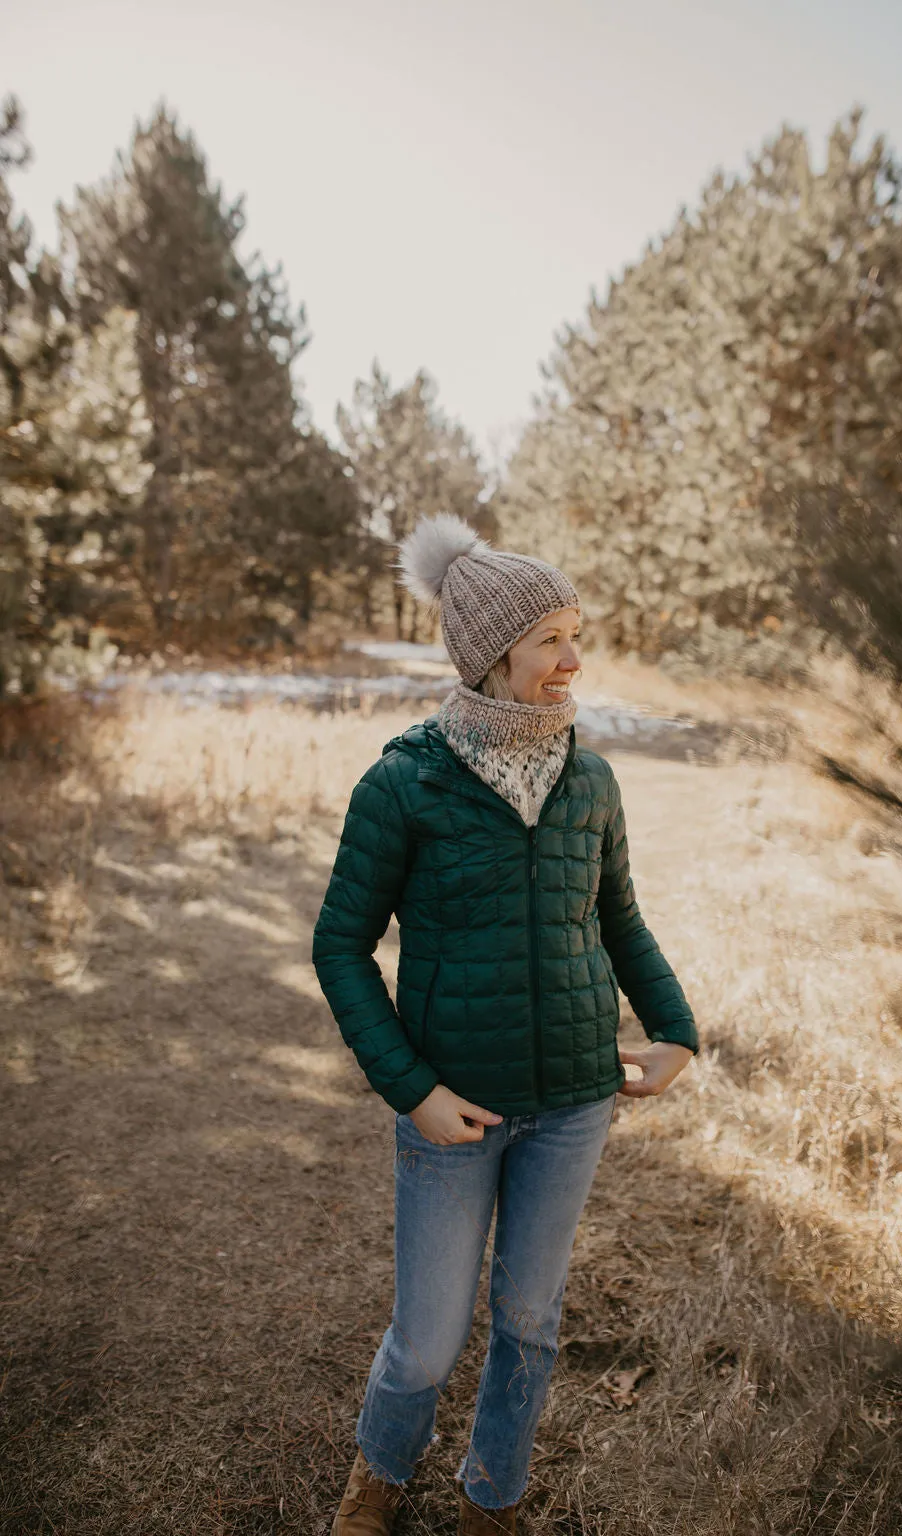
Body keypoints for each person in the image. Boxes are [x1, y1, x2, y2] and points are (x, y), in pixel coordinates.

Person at [312, 513, 698, 1535]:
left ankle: (494, 1494)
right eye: (550, 641)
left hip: (574, 1100)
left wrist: (676, 1030)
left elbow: (617, 919)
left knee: (529, 1320)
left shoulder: (590, 778)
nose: (574, 659)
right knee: (430, 1340)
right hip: (454, 1108)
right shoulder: (405, 782)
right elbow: (339, 947)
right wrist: (414, 1091)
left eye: (576, 634)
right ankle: (377, 1482)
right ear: (491, 657)